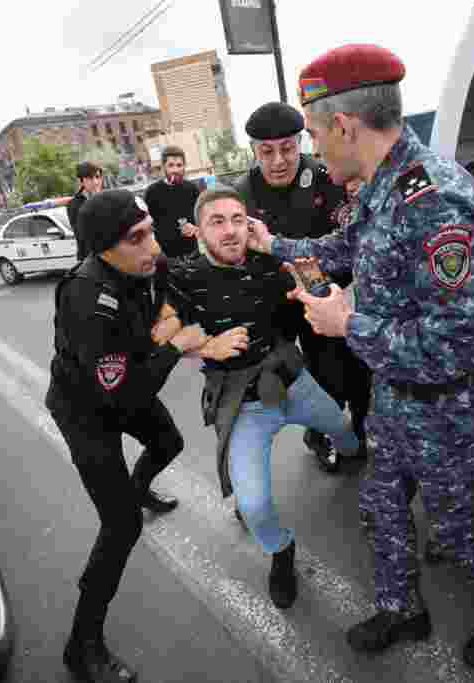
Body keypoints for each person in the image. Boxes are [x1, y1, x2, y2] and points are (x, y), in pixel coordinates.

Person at [245, 44, 474, 672]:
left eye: (317, 135)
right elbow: (340, 246)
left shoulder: (436, 203)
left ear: (347, 126)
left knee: (457, 534)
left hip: (448, 407)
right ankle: (402, 608)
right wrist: (271, 242)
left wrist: (346, 321)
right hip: (397, 398)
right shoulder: (383, 189)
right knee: (381, 507)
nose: (316, 151)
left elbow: (460, 341)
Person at [164, 186, 361, 609]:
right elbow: (163, 333)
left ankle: (343, 453)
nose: (230, 230)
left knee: (346, 432)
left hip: (293, 380)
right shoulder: (181, 276)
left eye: (237, 219)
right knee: (252, 505)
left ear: (249, 224)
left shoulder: (270, 261)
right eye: (217, 222)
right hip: (243, 404)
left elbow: (319, 287)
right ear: (198, 230)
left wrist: (311, 279)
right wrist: (206, 348)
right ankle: (280, 551)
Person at [45, 189, 212, 683]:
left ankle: (135, 494)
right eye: (136, 239)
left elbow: (179, 289)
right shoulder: (85, 298)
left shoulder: (147, 265)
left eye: (150, 232)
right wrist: (177, 345)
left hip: (124, 387)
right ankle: (82, 646)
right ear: (103, 249)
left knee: (168, 443)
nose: (152, 247)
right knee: (120, 529)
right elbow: (122, 395)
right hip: (86, 411)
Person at [235, 101, 372, 473]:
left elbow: (347, 244)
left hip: (320, 294)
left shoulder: (329, 180)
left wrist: (324, 287)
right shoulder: (240, 194)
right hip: (273, 303)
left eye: (288, 148)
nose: (279, 160)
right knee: (282, 383)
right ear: (254, 151)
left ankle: (343, 433)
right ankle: (317, 431)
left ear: (301, 143)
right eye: (267, 152)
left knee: (340, 373)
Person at [143, 146, 200, 261]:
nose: (175, 170)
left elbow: (202, 218)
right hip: (167, 257)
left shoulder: (192, 188)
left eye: (179, 165)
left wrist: (195, 228)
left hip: (193, 252)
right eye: (171, 165)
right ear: (164, 167)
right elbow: (146, 225)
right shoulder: (151, 192)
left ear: (184, 166)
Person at [66, 161, 104, 259]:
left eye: (98, 177)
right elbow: (82, 236)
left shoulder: (107, 198)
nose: (95, 182)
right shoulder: (74, 205)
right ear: (81, 181)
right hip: (91, 259)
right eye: (90, 178)